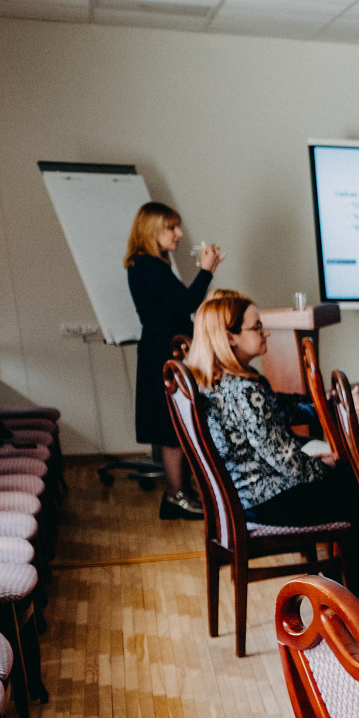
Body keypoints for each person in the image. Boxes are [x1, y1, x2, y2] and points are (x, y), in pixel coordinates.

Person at [187, 291, 359, 531]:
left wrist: (316, 462)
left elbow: (272, 453)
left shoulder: (214, 384)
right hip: (267, 500)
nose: (266, 333)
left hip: (243, 498)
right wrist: (326, 465)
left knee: (351, 476)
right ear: (230, 337)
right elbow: (290, 465)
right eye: (257, 327)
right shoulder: (245, 391)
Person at [125, 201, 220, 520]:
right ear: (152, 230)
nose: (179, 233)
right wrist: (206, 270)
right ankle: (175, 496)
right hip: (162, 353)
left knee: (177, 423)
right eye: (171, 227)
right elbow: (185, 303)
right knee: (172, 426)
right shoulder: (147, 265)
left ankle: (181, 493)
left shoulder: (151, 264)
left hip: (165, 349)